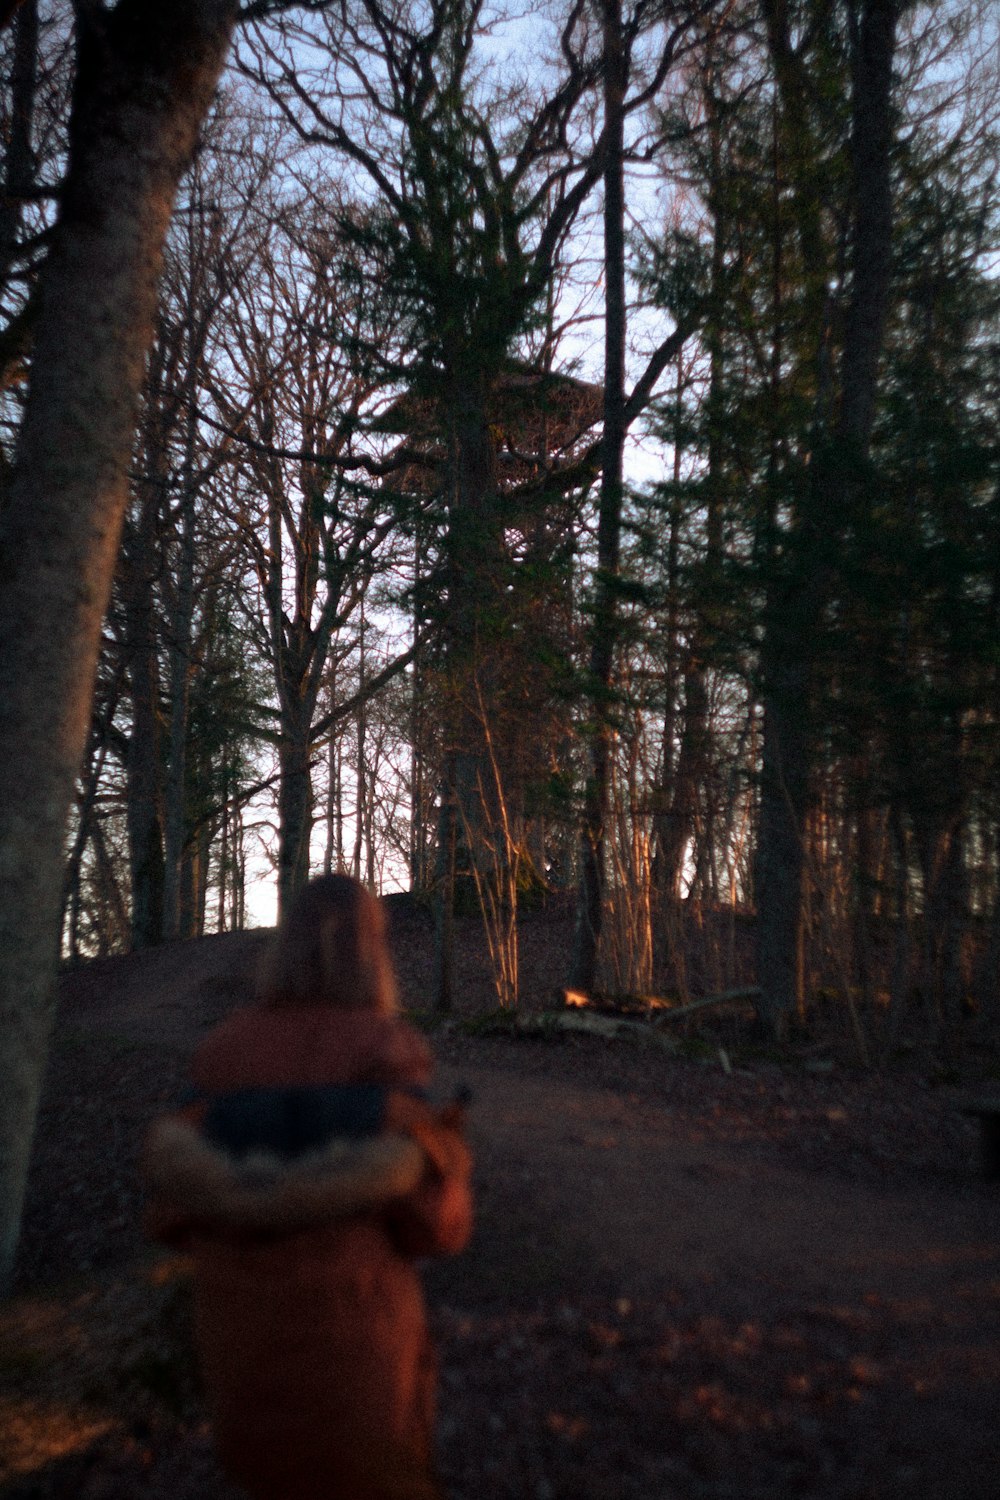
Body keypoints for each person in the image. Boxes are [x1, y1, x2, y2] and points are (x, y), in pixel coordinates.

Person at [142, 874, 473, 1500]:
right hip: (359, 1363)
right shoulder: (385, 1048)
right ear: (371, 952)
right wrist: (445, 1156)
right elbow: (439, 1228)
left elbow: (170, 1216)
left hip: (241, 1367)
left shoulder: (221, 1052)